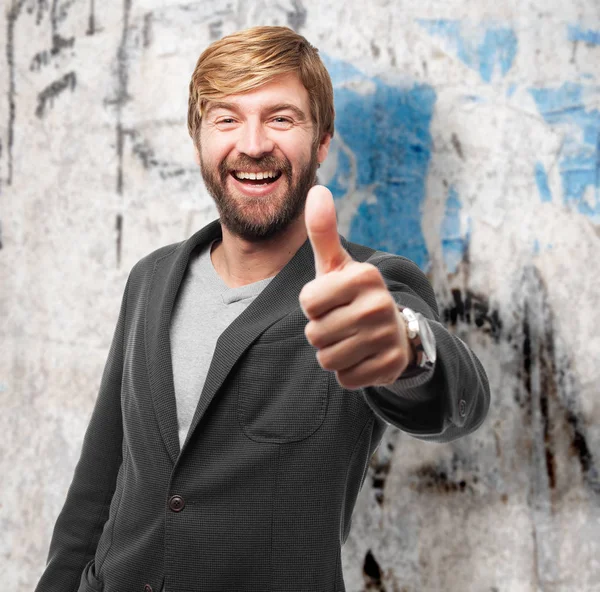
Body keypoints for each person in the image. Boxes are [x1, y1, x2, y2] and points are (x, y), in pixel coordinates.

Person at [35, 25, 490, 592]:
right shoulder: (150, 280)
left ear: (321, 141)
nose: (252, 144)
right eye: (226, 118)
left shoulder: (365, 287)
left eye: (280, 118)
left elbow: (457, 397)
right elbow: (97, 484)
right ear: (199, 138)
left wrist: (409, 349)